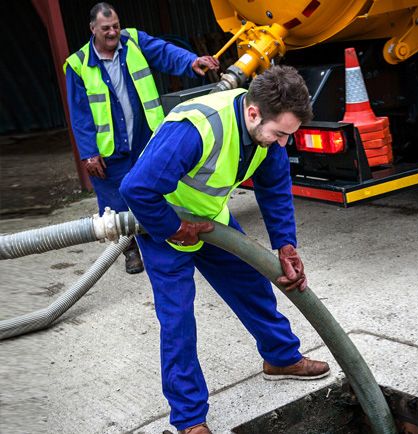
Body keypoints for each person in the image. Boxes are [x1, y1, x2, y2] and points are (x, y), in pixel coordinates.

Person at [120, 65, 330, 434]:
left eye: (289, 136)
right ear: (253, 113)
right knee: (178, 319)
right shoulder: (198, 128)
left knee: (251, 282)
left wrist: (285, 245)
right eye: (280, 133)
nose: (283, 143)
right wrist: (173, 228)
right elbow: (136, 188)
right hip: (162, 223)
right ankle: (189, 419)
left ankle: (280, 358)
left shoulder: (267, 135)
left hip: (210, 221)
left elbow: (275, 186)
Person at [64, 2, 219, 274]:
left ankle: (167, 236)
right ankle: (129, 249)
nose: (113, 33)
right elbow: (79, 114)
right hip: (109, 147)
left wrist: (191, 61)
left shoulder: (134, 41)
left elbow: (165, 53)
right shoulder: (78, 65)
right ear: (92, 30)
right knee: (114, 201)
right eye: (106, 29)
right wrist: (88, 152)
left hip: (145, 137)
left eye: (115, 26)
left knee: (155, 191)